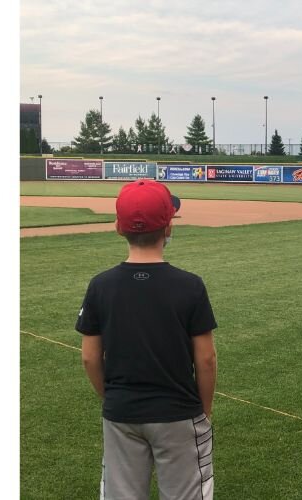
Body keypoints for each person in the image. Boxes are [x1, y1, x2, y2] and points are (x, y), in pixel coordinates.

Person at [76, 179, 218, 500]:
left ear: (117, 227)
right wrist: (203, 412)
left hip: (121, 411)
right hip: (179, 413)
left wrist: (110, 396)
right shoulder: (190, 286)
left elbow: (89, 357)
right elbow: (206, 359)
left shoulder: (101, 285)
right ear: (168, 227)